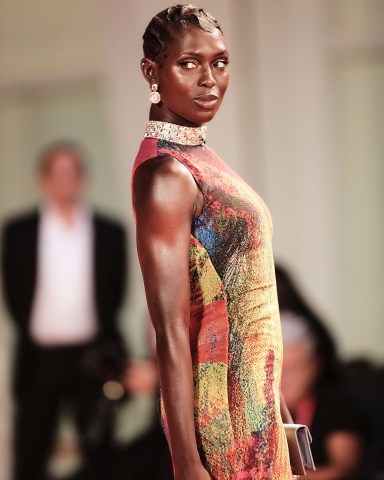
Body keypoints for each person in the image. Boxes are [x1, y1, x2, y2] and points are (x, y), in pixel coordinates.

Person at [131, 5, 292, 479]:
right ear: (151, 71)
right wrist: (185, 462)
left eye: (220, 62)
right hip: (225, 418)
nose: (210, 79)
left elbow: (240, 300)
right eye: (189, 63)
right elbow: (171, 329)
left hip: (255, 405)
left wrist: (274, 400)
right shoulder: (165, 174)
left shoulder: (195, 153)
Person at [1, 141, 127, 480]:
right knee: (31, 450)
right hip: (39, 357)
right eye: (58, 174)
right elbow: (15, 294)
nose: (65, 181)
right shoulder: (19, 233)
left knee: (100, 453)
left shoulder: (110, 233)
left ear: (83, 179)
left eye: (72, 173)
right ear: (44, 179)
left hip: (92, 357)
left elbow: (114, 296)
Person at [276, 265, 364, 479]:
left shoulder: (334, 404)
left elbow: (344, 467)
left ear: (314, 366)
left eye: (291, 371)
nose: (282, 380)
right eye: (278, 372)